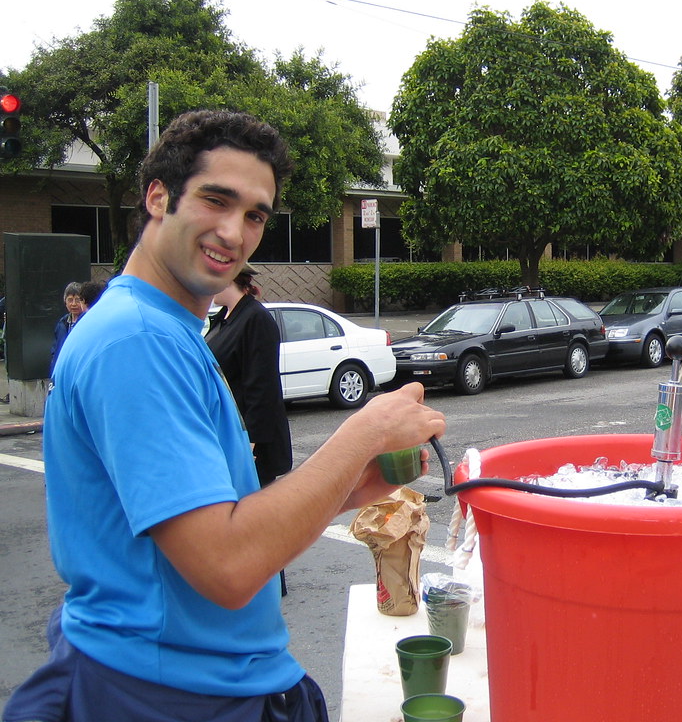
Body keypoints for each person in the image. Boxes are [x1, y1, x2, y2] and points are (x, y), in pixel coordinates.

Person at [3, 109, 446, 722]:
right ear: (158, 197)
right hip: (170, 694)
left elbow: (223, 520)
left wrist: (350, 486)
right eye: (216, 200)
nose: (234, 232)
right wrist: (363, 433)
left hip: (204, 681)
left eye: (256, 215)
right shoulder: (138, 340)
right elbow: (227, 565)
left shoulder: (167, 329)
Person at [206, 265, 291, 489]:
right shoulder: (224, 317)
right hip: (228, 434)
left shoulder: (255, 318)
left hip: (249, 445)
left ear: (228, 279)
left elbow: (262, 387)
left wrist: (249, 442)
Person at [48, 282, 83, 377]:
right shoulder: (62, 323)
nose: (74, 304)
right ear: (65, 302)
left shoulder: (87, 322)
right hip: (63, 370)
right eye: (70, 300)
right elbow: (55, 350)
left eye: (77, 300)